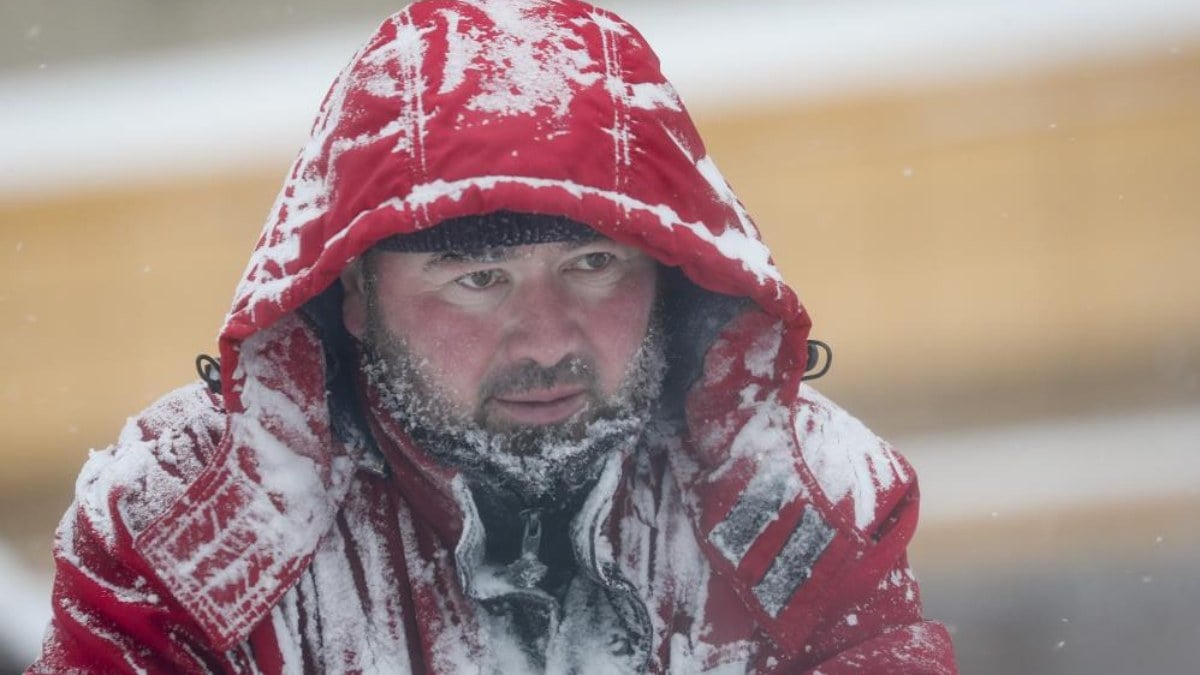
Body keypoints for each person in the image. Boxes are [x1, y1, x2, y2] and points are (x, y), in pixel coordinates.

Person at [30, 0, 957, 672]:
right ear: (349, 292)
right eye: (477, 280)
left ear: (673, 273)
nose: (546, 336)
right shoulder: (178, 537)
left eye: (595, 265)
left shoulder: (804, 498)